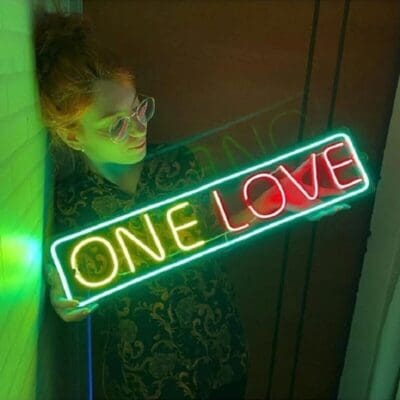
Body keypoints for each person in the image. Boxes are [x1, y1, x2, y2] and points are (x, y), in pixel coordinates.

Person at [35, 10, 249, 399]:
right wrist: (64, 300)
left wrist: (277, 205)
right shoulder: (73, 207)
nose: (138, 128)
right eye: (116, 124)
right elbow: (72, 289)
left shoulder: (178, 163)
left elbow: (217, 239)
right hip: (143, 384)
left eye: (139, 109)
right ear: (73, 136)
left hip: (221, 359)